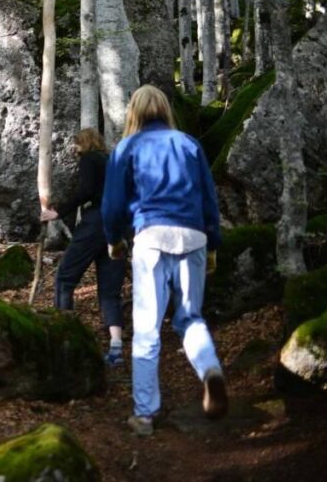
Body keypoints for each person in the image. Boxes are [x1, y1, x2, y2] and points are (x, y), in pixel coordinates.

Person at [102, 85, 227, 436]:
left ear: (134, 112)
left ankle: (145, 414)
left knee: (146, 328)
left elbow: (111, 206)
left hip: (151, 237)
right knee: (190, 318)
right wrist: (213, 243)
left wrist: (114, 241)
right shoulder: (189, 144)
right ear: (165, 110)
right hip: (193, 236)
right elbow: (208, 199)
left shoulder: (127, 147)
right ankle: (210, 371)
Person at [43, 128, 127, 367]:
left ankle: (65, 339)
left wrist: (58, 211)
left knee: (65, 278)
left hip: (96, 225)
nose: (74, 149)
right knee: (110, 291)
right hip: (117, 228)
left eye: (76, 144)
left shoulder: (89, 160)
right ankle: (116, 347)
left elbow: (86, 190)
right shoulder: (112, 162)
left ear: (83, 144)